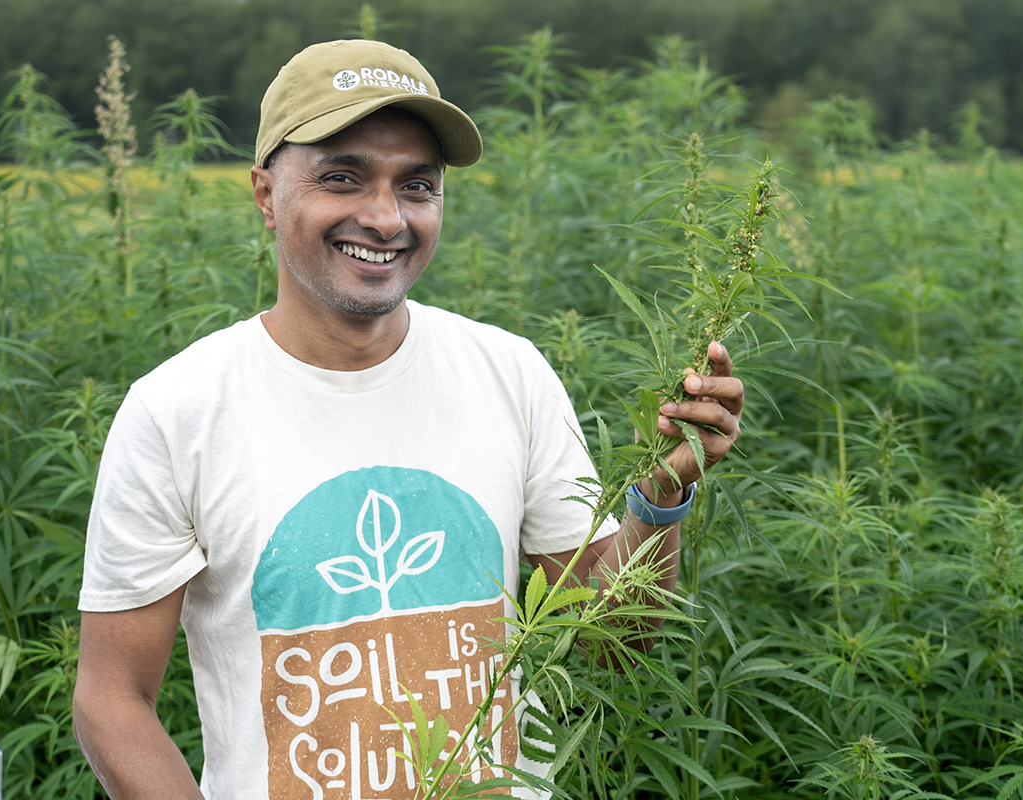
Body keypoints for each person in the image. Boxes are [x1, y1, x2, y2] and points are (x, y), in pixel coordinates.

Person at [72, 39, 743, 800]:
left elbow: (614, 646)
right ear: (265, 193)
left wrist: (659, 494)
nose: (386, 217)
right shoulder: (177, 411)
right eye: (342, 177)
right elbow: (111, 700)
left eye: (417, 186)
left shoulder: (510, 374)